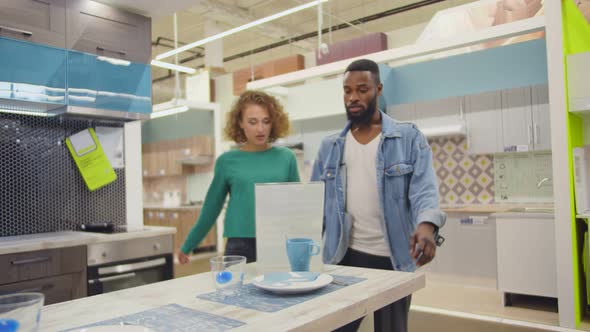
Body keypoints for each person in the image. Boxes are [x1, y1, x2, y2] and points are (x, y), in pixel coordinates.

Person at [311, 59, 445, 332]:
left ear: (379, 89)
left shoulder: (407, 137)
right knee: (337, 327)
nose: (353, 97)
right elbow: (314, 204)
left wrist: (426, 225)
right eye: (347, 91)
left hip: (392, 257)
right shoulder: (330, 146)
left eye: (362, 89)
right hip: (343, 255)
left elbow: (424, 189)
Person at [179, 90, 300, 264]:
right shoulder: (227, 161)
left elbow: (297, 204)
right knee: (236, 291)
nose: (260, 128)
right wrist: (188, 244)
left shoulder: (286, 158)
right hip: (240, 245)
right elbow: (211, 208)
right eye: (253, 122)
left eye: (266, 121)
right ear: (240, 123)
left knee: (279, 289)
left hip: (278, 240)